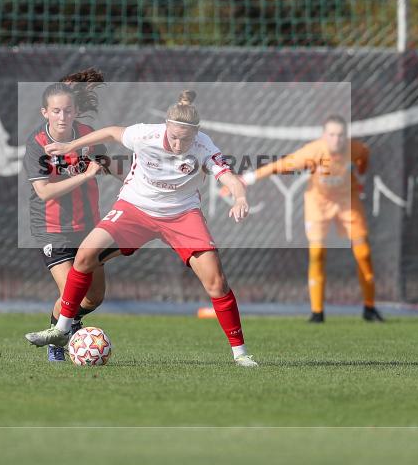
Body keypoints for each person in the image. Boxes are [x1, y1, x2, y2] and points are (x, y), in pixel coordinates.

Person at [25, 90, 258, 367]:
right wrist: (69, 146)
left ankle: (241, 354)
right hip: (135, 209)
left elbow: (230, 179)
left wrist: (240, 198)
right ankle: (61, 329)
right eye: (173, 136)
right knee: (86, 254)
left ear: (196, 134)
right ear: (166, 127)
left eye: (185, 139)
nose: (177, 144)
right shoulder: (146, 134)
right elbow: (111, 132)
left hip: (182, 215)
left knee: (216, 282)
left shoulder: (204, 146)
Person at [228, 115, 384, 323]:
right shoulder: (314, 151)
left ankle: (369, 308)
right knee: (317, 253)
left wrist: (361, 175)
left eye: (340, 135)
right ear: (324, 135)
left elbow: (364, 157)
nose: (336, 139)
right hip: (318, 203)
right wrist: (247, 179)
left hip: (348, 201)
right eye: (331, 134)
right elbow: (281, 165)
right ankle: (317, 312)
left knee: (363, 253)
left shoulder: (355, 148)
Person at [23, 69, 112, 362]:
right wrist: (85, 175)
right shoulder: (37, 143)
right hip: (53, 228)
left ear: (75, 111)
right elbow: (44, 191)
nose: (62, 117)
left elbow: (109, 166)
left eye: (68, 110)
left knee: (94, 297)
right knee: (72, 293)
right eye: (56, 111)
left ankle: (70, 322)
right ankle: (58, 340)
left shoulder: (87, 135)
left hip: (89, 226)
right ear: (45, 112)